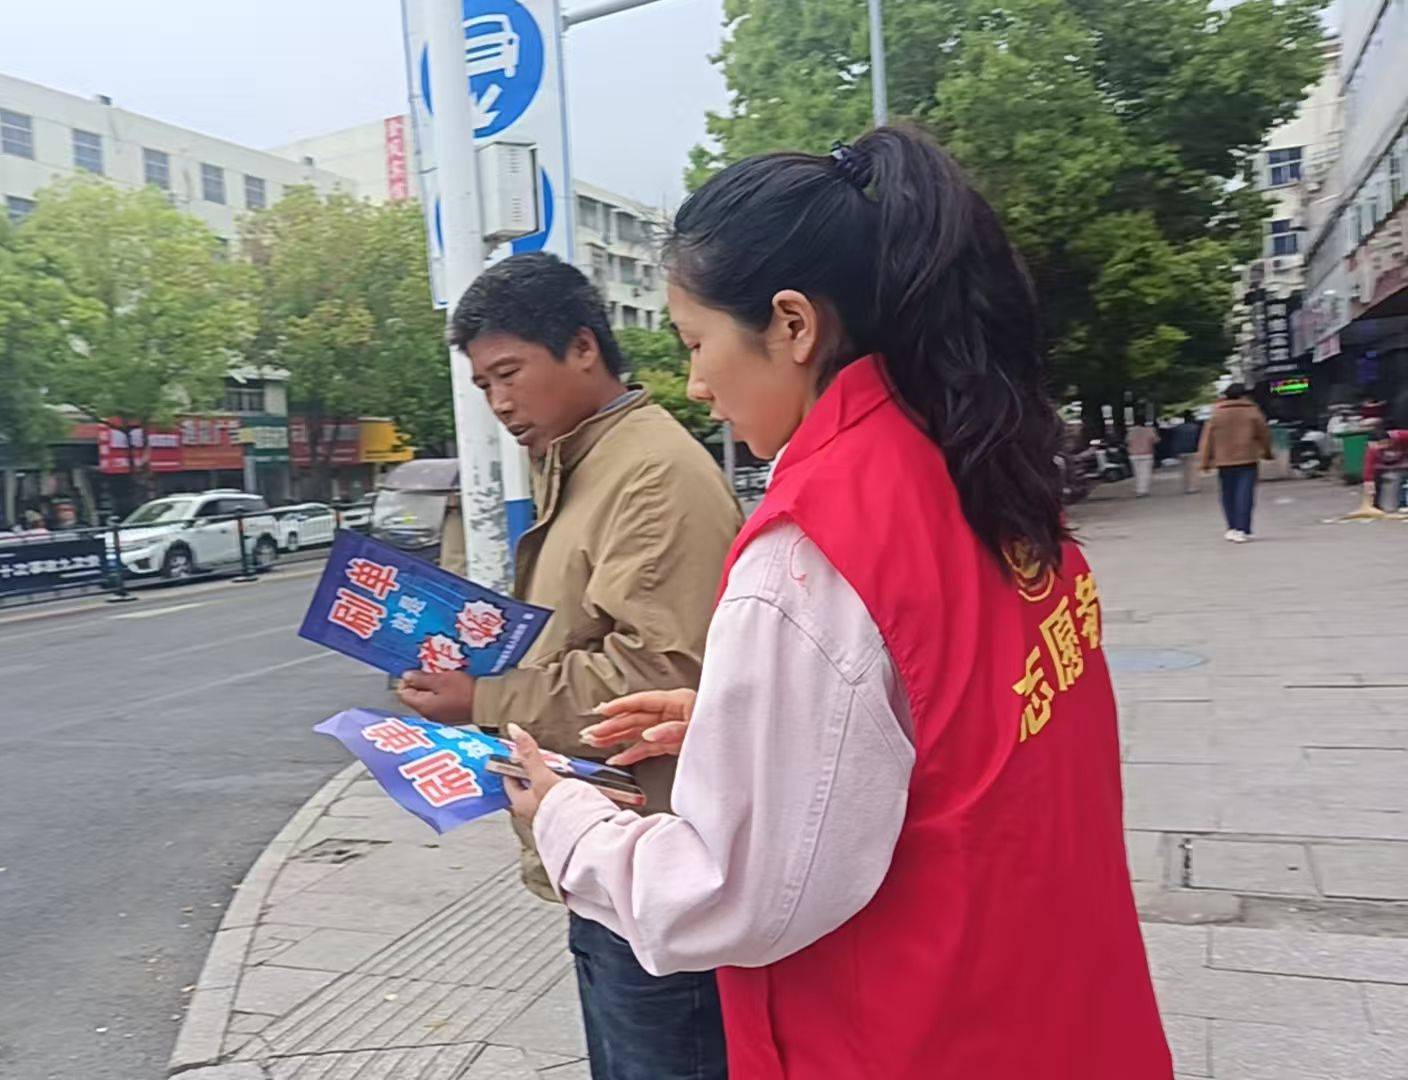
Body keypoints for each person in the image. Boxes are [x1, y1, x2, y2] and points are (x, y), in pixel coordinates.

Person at [498, 127, 1169, 1079]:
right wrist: (748, 723)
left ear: (792, 325)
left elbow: (730, 897)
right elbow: (950, 716)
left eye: (697, 343)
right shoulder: (967, 453)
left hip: (911, 1034)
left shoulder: (810, 547)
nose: (697, 385)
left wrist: (566, 820)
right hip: (1058, 1005)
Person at [397, 252, 742, 1080]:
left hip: (653, 864)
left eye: (509, 373)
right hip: (604, 855)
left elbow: (655, 674)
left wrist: (484, 698)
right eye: (483, 385)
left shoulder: (650, 475)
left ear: (583, 347)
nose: (499, 403)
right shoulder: (582, 464)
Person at [1198, 383, 1273, 542]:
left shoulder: (1217, 413)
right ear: (1244, 395)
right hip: (1248, 459)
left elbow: (1207, 438)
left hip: (1224, 461)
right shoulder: (1252, 411)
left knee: (1228, 494)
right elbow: (1264, 434)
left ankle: (1232, 527)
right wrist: (1267, 452)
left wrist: (1205, 461)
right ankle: (1243, 529)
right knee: (1245, 494)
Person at [1174, 410, 1204, 492]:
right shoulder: (1196, 427)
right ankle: (1193, 487)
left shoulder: (1178, 428)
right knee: (1193, 470)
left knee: (1184, 470)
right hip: (1193, 450)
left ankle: (1186, 487)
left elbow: (1175, 439)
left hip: (1181, 450)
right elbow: (1199, 439)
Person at [1127, 422, 1159, 496]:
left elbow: (1128, 441)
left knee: (1137, 473)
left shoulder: (1131, 431)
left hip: (1134, 454)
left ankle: (1139, 489)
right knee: (1145, 472)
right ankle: (1143, 490)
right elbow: (1156, 440)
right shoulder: (1149, 430)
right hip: (1146, 454)